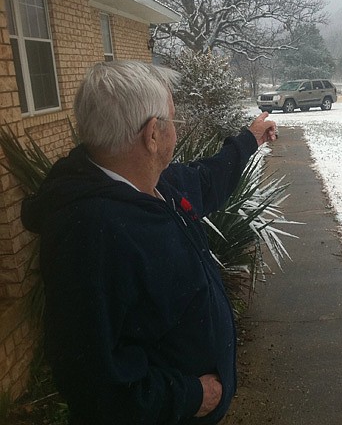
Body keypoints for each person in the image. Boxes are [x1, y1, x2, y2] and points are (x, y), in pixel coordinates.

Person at [20, 60, 277, 424]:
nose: (177, 128)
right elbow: (92, 381)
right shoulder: (90, 235)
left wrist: (250, 138)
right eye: (172, 120)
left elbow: (206, 180)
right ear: (152, 134)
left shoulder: (153, 183)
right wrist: (191, 397)